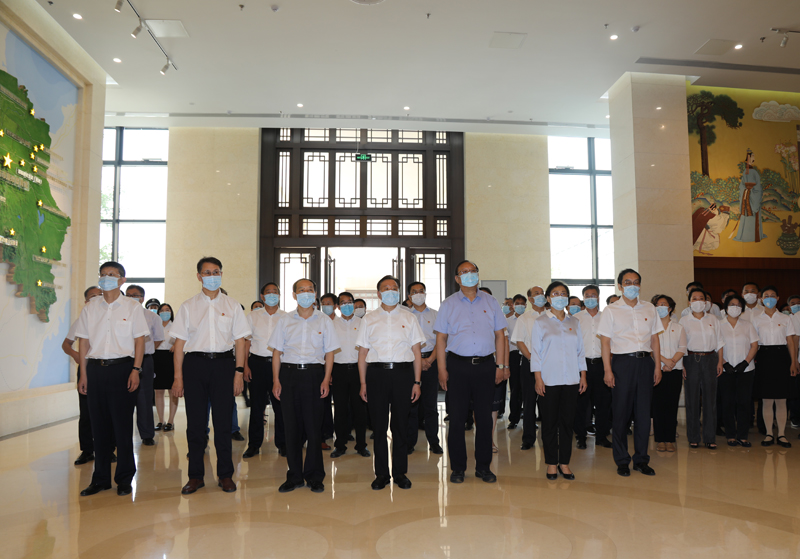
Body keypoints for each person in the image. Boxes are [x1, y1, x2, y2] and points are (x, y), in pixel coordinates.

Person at [171, 257, 251, 495]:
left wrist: (238, 372)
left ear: (221, 274)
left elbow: (240, 342)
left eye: (216, 272)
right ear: (199, 276)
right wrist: (178, 377)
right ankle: (195, 476)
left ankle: (225, 475)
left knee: (223, 424)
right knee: (196, 425)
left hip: (224, 365)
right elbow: (179, 345)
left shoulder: (233, 305)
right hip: (195, 365)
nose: (212, 276)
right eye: (207, 272)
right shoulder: (188, 306)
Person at [75, 262, 148, 496]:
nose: (107, 278)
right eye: (103, 274)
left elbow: (139, 341)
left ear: (122, 280)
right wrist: (84, 373)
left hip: (123, 369)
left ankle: (124, 478)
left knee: (122, 426)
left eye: (112, 274)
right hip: (95, 370)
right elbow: (83, 342)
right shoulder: (90, 308)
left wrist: (136, 370)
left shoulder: (132, 307)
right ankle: (101, 479)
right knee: (99, 427)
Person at [434, 260, 507, 484]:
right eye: (464, 272)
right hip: (457, 366)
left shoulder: (491, 302)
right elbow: (441, 339)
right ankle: (458, 468)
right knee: (456, 419)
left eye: (472, 271)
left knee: (484, 419)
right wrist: (442, 369)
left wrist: (501, 366)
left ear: (477, 274)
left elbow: (500, 335)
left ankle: (483, 467)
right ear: (457, 278)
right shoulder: (448, 304)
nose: (469, 275)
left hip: (485, 366)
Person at [269, 279, 339, 494]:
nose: (306, 293)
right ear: (294, 295)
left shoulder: (324, 320)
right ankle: (294, 476)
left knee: (314, 428)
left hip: (314, 375)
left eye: (310, 290)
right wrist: (276, 380)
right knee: (291, 428)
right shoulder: (284, 320)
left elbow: (329, 353)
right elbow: (277, 353)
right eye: (301, 290)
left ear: (315, 293)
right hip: (289, 375)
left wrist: (326, 379)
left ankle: (315, 476)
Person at [356, 275, 424, 490]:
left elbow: (416, 352)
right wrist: (363, 383)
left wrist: (417, 382)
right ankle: (381, 474)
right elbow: (362, 354)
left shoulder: (409, 317)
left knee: (400, 425)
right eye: (386, 288)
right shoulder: (369, 319)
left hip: (403, 374)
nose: (390, 291)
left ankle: (400, 472)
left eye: (394, 287)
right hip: (376, 375)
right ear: (379, 294)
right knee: (378, 426)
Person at [597, 268, 663, 477]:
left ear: (640, 285)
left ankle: (641, 460)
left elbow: (655, 339)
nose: (632, 286)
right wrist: (608, 370)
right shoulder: (611, 310)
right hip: (622, 364)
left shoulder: (649, 308)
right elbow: (605, 342)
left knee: (643, 414)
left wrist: (657, 366)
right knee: (621, 414)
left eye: (636, 282)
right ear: (620, 286)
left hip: (645, 364)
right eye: (627, 282)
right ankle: (622, 460)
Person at [530, 282, 587, 480]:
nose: (560, 296)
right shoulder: (540, 322)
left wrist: (583, 375)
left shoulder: (575, 322)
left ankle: (564, 463)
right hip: (548, 380)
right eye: (555, 293)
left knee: (567, 423)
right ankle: (551, 463)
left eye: (563, 293)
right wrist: (538, 378)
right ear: (548, 298)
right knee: (549, 424)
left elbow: (580, 351)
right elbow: (536, 353)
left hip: (571, 380)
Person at [242, 282, 287, 458]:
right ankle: (254, 445)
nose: (272, 295)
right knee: (257, 407)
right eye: (268, 292)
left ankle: (283, 444)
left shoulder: (286, 317)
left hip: (280, 366)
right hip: (257, 364)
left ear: (279, 296)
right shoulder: (253, 316)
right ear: (262, 296)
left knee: (281, 407)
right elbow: (247, 342)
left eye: (275, 292)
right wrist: (245, 365)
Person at [750, 286, 799, 448]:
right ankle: (769, 434)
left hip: (782, 358)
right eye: (766, 296)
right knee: (766, 399)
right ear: (761, 299)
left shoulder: (786, 318)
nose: (769, 298)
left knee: (781, 399)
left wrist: (793, 362)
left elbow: (791, 342)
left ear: (778, 298)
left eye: (772, 295)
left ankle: (782, 434)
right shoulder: (756, 319)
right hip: (763, 358)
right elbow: (754, 343)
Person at [678, 287, 725, 449]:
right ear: (689, 302)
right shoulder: (684, 321)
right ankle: (693, 437)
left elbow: (719, 342)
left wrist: (720, 362)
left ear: (706, 302)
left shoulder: (713, 319)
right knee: (692, 399)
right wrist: (682, 364)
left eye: (701, 298)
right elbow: (681, 345)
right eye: (695, 298)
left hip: (710, 359)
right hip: (691, 359)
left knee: (710, 399)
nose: (698, 301)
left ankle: (710, 437)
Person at [62, 286, 102, 465]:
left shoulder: (112, 318)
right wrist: (76, 355)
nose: (97, 298)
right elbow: (66, 344)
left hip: (107, 367)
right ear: (86, 302)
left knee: (107, 410)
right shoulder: (81, 320)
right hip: (87, 368)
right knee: (86, 412)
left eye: (100, 295)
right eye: (93, 296)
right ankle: (87, 450)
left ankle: (108, 449)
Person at [330, 291, 370, 458]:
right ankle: (340, 445)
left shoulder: (363, 323)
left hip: (358, 371)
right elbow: (327, 350)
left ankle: (361, 445)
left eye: (349, 302)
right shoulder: (331, 324)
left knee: (360, 410)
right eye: (343, 303)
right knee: (340, 410)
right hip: (338, 370)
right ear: (338, 306)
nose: (347, 305)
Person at [126, 285, 165, 446]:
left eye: (135, 295)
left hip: (145, 361)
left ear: (142, 298)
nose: (131, 298)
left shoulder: (152, 317)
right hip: (124, 360)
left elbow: (158, 338)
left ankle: (147, 434)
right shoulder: (119, 315)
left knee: (144, 398)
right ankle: (122, 434)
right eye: (128, 295)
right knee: (123, 398)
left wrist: (143, 352)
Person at [407, 281, 443, 454]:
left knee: (431, 405)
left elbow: (441, 340)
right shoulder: (405, 315)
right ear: (409, 296)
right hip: (410, 361)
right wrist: (418, 360)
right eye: (414, 292)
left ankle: (434, 441)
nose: (418, 294)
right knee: (411, 405)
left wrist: (429, 360)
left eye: (421, 291)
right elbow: (404, 341)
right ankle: (410, 442)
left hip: (431, 361)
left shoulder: (436, 315)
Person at [574, 285, 612, 449]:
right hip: (581, 366)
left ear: (598, 297)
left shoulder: (606, 317)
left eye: (593, 295)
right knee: (581, 403)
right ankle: (581, 437)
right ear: (583, 298)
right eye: (587, 295)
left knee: (603, 403)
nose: (590, 298)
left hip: (602, 365)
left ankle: (602, 436)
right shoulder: (575, 318)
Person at [718, 295, 759, 447]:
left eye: (738, 305)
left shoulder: (748, 325)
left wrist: (745, 362)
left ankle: (743, 435)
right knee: (727, 402)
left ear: (742, 308)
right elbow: (716, 346)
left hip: (746, 370)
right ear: (726, 307)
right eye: (732, 304)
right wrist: (724, 363)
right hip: (725, 370)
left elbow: (754, 345)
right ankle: (730, 434)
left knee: (744, 402)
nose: (735, 307)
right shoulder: (718, 325)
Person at [510, 285, 547, 448]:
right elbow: (519, 341)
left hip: (549, 363)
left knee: (548, 402)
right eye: (536, 294)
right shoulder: (524, 318)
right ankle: (528, 438)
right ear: (530, 299)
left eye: (542, 293)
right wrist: (532, 359)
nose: (540, 295)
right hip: (529, 362)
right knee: (529, 401)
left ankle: (548, 436)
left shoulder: (551, 315)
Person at [651, 295, 686, 453]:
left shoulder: (678, 327)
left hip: (674, 370)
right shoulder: (651, 328)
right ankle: (660, 439)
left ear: (670, 308)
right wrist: (664, 362)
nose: (660, 307)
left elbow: (682, 347)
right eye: (657, 305)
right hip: (657, 370)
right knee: (658, 405)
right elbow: (650, 348)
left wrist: (672, 363)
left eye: (663, 304)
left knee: (672, 405)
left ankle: (670, 439)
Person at [154, 303, 178, 432]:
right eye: (162, 310)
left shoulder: (175, 326)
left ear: (171, 312)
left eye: (167, 310)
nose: (164, 312)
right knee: (158, 391)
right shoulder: (155, 325)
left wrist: (176, 346)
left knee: (172, 391)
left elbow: (182, 340)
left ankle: (171, 421)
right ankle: (160, 420)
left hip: (171, 358)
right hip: (157, 358)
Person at [506, 294, 526, 430]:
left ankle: (529, 418)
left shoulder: (529, 319)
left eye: (522, 303)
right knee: (515, 388)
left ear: (526, 305)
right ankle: (513, 418)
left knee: (527, 389)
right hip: (513, 356)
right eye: (517, 303)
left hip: (527, 355)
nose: (519, 305)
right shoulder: (507, 321)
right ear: (513, 306)